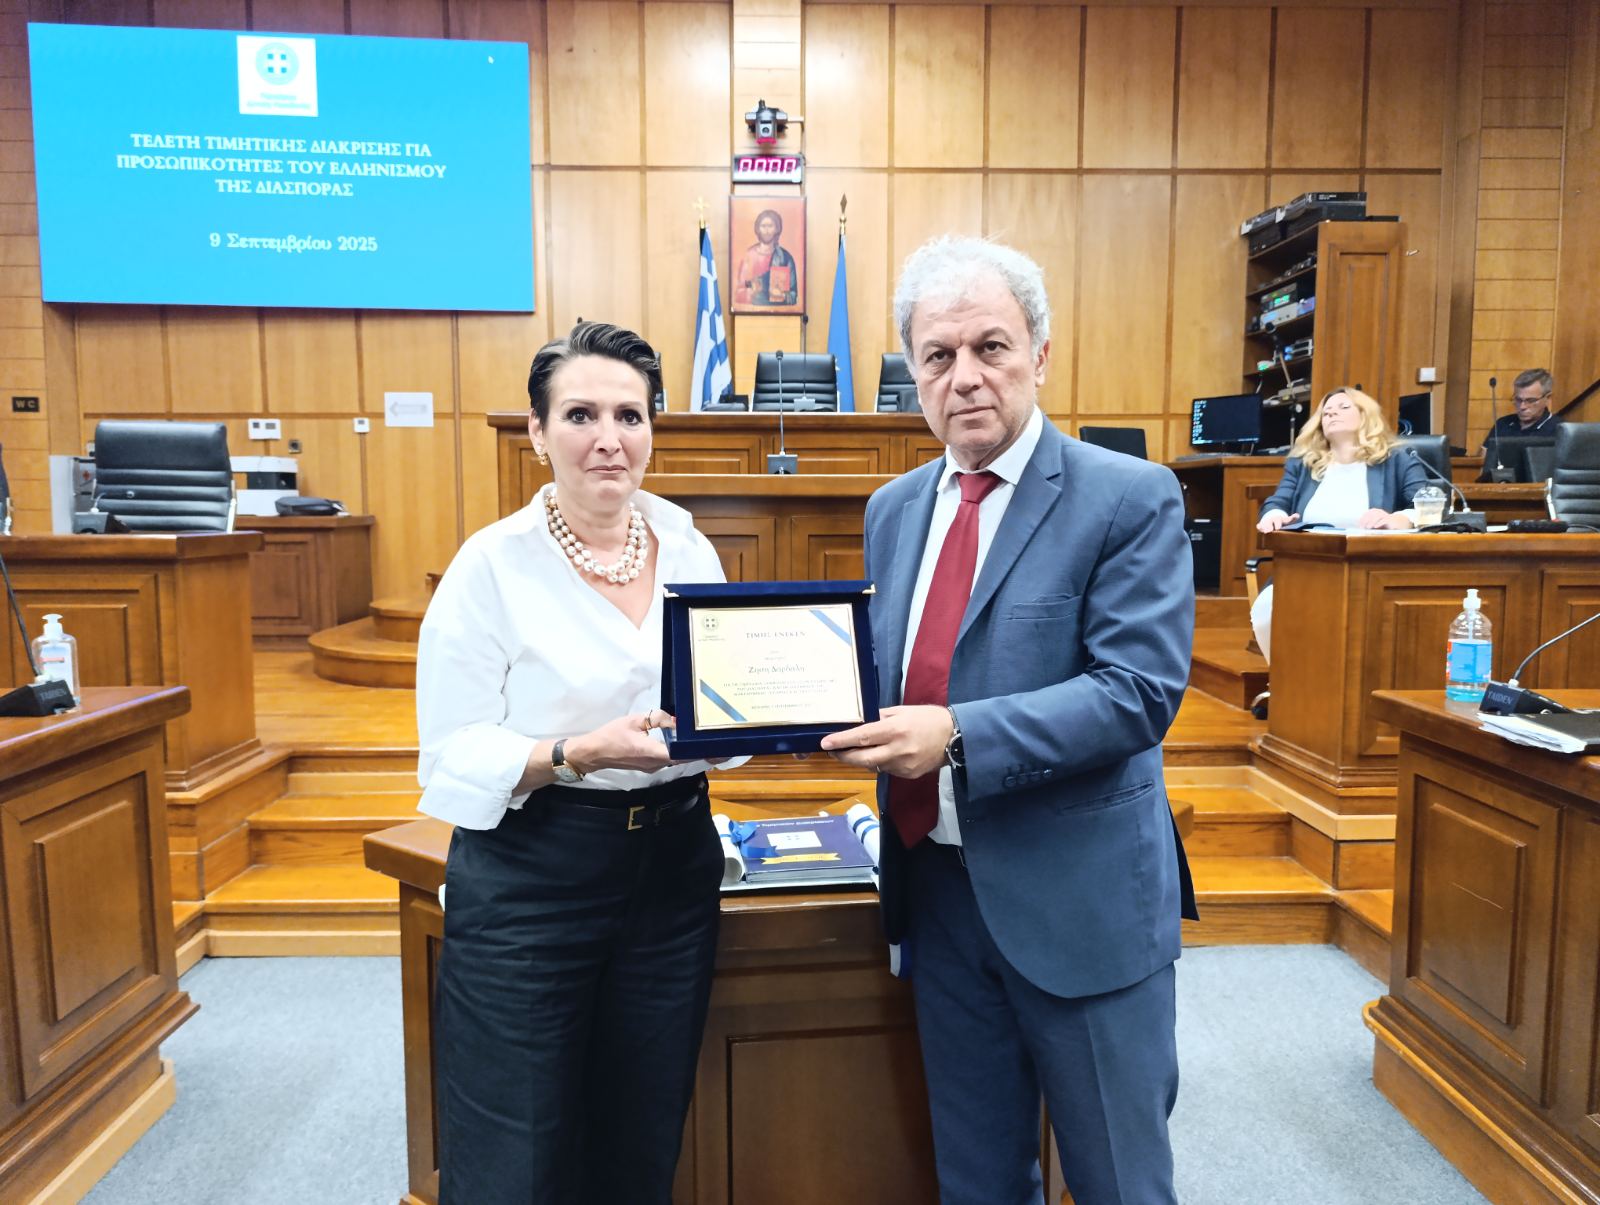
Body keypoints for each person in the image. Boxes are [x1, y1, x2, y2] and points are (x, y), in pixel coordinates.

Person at [819, 236, 1197, 1205]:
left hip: (1080, 903)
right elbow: (883, 670)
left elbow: (1137, 692)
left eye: (991, 346)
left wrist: (955, 735)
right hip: (940, 893)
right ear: (913, 374)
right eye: (937, 356)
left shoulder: (1127, 496)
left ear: (1041, 353)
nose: (966, 376)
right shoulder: (893, 508)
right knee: (978, 1180)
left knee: (1119, 1183)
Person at [416, 321, 729, 1204]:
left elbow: (722, 704)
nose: (608, 438)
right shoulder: (490, 565)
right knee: (514, 1150)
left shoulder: (689, 546)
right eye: (581, 414)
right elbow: (450, 749)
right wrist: (573, 753)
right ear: (537, 430)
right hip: (536, 870)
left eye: (630, 415)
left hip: (673, 869)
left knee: (641, 1133)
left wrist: (760, 723)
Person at [1251, 386, 1426, 662]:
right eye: (1326, 411)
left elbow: (1429, 504)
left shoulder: (1397, 460)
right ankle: (1288, 679)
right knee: (1266, 611)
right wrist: (1273, 515)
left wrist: (1398, 519)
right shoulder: (1304, 464)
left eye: (1344, 407)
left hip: (1371, 573)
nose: (1332, 413)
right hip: (1306, 570)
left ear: (1365, 415)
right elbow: (1277, 501)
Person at [733, 207, 798, 306]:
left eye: (770, 226)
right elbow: (740, 289)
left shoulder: (785, 258)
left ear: (776, 229)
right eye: (763, 226)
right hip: (752, 311)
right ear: (758, 229)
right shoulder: (749, 256)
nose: (766, 230)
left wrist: (782, 295)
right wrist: (751, 289)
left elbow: (793, 296)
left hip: (779, 312)